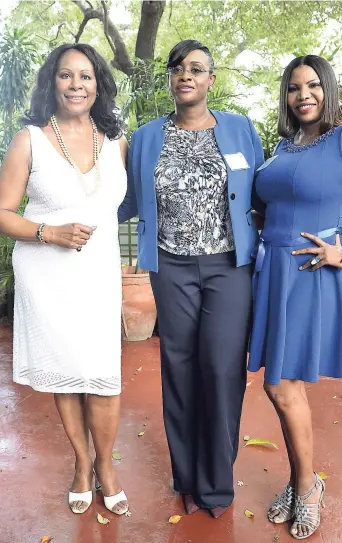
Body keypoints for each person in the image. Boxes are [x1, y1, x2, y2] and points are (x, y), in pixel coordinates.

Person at [118, 39, 264, 518]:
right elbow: (125, 200)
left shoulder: (241, 130)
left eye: (197, 69)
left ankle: (217, 483)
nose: (187, 75)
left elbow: (262, 193)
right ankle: (187, 475)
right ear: (171, 79)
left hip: (228, 267)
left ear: (210, 79)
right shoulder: (145, 138)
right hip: (171, 266)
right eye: (178, 68)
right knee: (178, 369)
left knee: (222, 369)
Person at [249, 55, 342, 539]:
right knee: (279, 385)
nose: (303, 94)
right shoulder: (286, 144)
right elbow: (273, 204)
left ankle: (307, 486)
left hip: (310, 269)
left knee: (282, 385)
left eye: (312, 85)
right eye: (293, 87)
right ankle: (302, 479)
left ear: (327, 88)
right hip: (272, 272)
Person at [0, 43, 129, 515]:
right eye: (66, 75)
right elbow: (2, 212)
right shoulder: (28, 140)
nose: (76, 84)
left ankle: (107, 466)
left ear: (99, 84)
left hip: (97, 276)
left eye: (86, 76)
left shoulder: (116, 141)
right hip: (47, 273)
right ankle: (81, 463)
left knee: (103, 376)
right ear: (51, 82)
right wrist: (48, 232)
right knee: (67, 374)